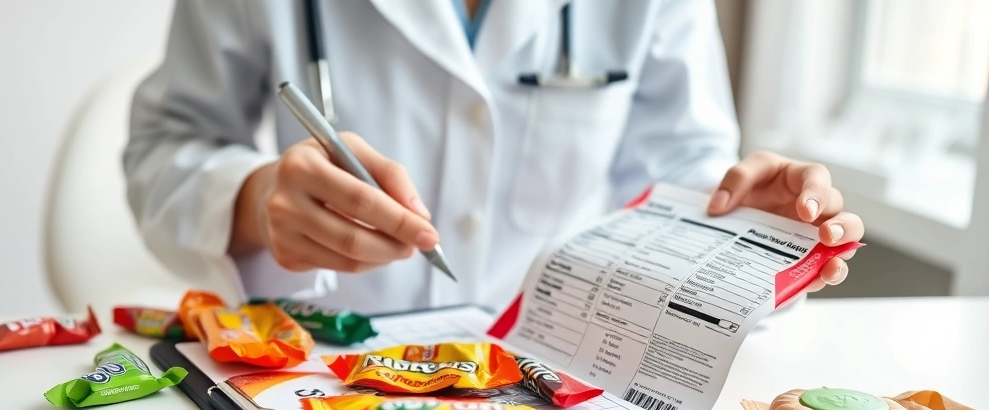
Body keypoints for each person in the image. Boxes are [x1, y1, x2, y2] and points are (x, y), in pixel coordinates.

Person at [123, 0, 863, 315]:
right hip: (318, 378)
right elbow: (165, 149)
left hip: (561, 380)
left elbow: (687, 170)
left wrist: (743, 232)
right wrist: (254, 201)